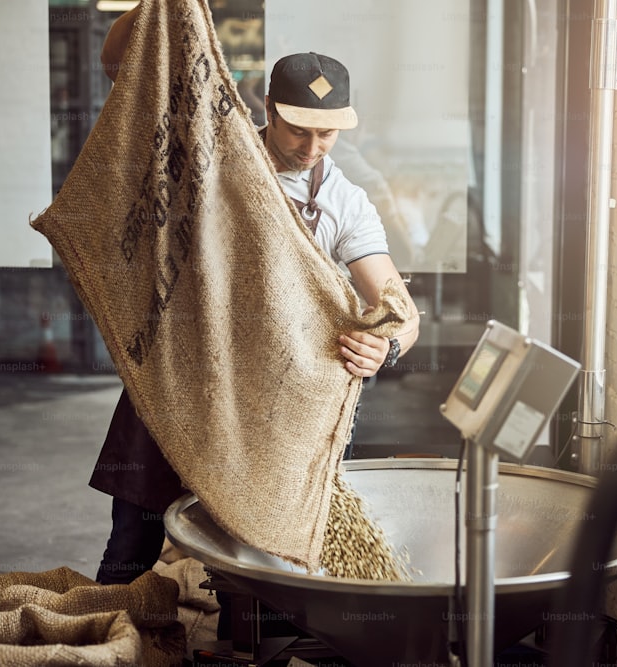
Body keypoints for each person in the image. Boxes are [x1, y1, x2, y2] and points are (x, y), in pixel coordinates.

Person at [91, 6, 420, 587]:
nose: (314, 146)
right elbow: (118, 65)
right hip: (176, 376)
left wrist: (386, 348)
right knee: (131, 544)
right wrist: (162, 9)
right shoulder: (215, 150)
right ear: (266, 111)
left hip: (265, 408)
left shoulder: (344, 202)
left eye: (328, 132)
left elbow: (400, 310)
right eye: (299, 129)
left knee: (249, 564)